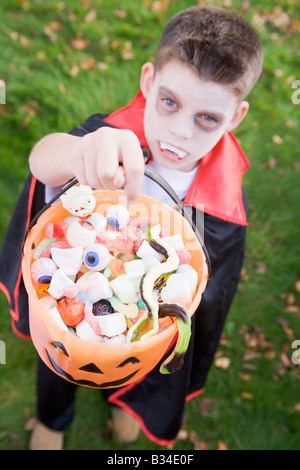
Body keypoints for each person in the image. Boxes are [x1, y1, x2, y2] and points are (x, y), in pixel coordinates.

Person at [0, 5, 263, 449]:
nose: (178, 133)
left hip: (149, 323)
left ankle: (130, 403)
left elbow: (206, 300)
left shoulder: (224, 207)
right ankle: (53, 419)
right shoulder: (110, 141)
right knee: (60, 357)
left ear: (235, 118)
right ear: (147, 81)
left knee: (154, 367)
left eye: (207, 118)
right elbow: (44, 159)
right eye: (169, 102)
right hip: (75, 299)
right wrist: (76, 153)